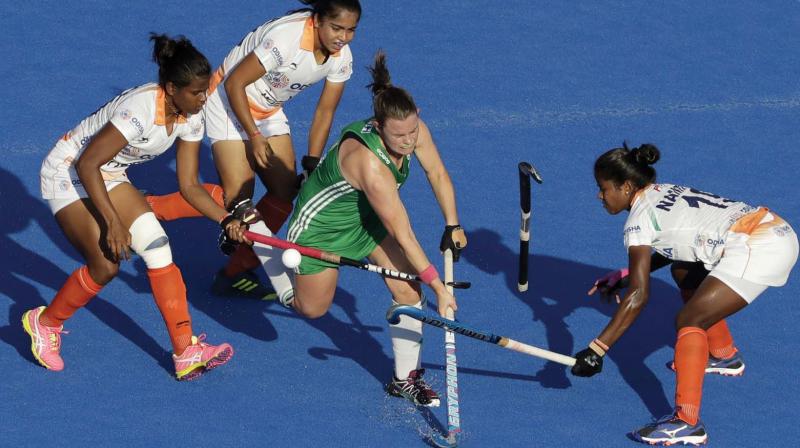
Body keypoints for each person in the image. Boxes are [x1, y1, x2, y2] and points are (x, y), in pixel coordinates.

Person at [27, 34, 236, 381]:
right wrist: (113, 223)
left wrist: (226, 220)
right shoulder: (140, 110)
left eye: (205, 90)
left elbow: (189, 186)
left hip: (108, 173)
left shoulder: (190, 115)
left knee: (157, 247)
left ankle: (185, 352)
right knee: (106, 266)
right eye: (196, 92)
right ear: (171, 88)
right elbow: (87, 164)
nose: (204, 98)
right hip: (68, 172)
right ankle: (44, 323)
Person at [571, 143, 798, 445]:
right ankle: (724, 355)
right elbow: (680, 241)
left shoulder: (637, 221)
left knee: (689, 320)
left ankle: (686, 422)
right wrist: (626, 274)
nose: (600, 196)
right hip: (775, 228)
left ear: (626, 187)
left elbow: (639, 296)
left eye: (603, 188)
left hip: (758, 246)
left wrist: (597, 349)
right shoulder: (663, 190)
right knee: (683, 270)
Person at [281, 50, 467, 407]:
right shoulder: (370, 166)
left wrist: (452, 222)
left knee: (409, 294)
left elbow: (437, 173)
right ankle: (278, 272)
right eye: (399, 136)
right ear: (379, 127)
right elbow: (403, 233)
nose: (409, 141)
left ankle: (404, 380)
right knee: (312, 309)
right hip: (320, 229)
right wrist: (440, 287)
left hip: (365, 218)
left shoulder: (413, 129)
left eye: (413, 131)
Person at [145, 0, 361, 302]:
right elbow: (235, 83)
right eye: (337, 28)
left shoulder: (342, 57)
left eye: (351, 30)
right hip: (227, 101)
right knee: (239, 200)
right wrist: (254, 135)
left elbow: (325, 112)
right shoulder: (287, 38)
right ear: (317, 21)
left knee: (286, 190)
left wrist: (312, 162)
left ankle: (235, 272)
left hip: (268, 110)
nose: (343, 37)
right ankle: (149, 209)